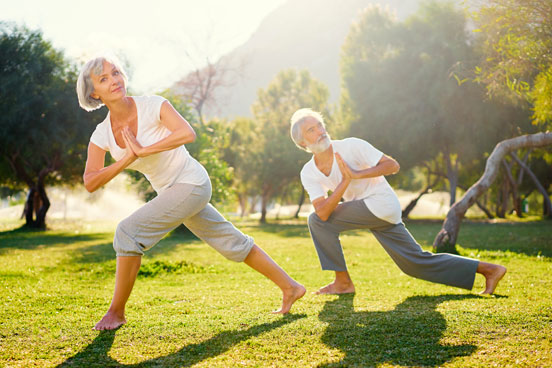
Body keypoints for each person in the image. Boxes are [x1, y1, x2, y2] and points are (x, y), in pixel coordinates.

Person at [77, 55, 305, 330]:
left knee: (127, 232)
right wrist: (126, 159)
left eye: (115, 73)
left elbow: (187, 133)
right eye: (104, 79)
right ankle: (290, 287)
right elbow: (90, 181)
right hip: (171, 193)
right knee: (230, 239)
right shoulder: (101, 134)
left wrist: (144, 150)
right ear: (94, 93)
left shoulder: (153, 105)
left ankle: (116, 312)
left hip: (192, 183)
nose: (114, 80)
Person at [289, 108, 507, 295]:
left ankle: (343, 282)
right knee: (414, 264)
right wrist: (345, 181)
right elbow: (324, 212)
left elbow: (392, 165)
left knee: (315, 222)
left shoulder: (351, 146)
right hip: (369, 211)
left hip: (381, 204)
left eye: (320, 125)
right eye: (311, 130)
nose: (320, 131)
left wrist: (355, 174)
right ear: (302, 143)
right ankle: (489, 270)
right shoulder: (308, 172)